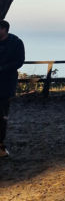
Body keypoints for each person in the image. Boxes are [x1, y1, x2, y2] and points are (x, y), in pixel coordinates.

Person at [0, 20, 25, 158]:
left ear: (4, 29)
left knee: (2, 115)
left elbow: (19, 61)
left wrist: (3, 68)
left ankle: (1, 145)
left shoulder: (16, 43)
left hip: (6, 84)